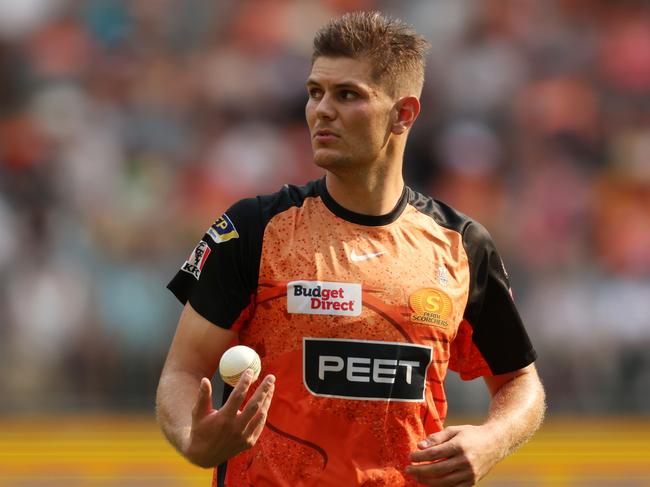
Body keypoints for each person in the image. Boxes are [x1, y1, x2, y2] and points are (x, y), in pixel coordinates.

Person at [156, 11, 546, 487]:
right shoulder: (253, 229)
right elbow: (182, 371)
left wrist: (491, 441)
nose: (322, 110)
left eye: (347, 95)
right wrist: (193, 438)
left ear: (403, 114)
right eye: (315, 92)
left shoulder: (461, 246)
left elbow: (521, 382)